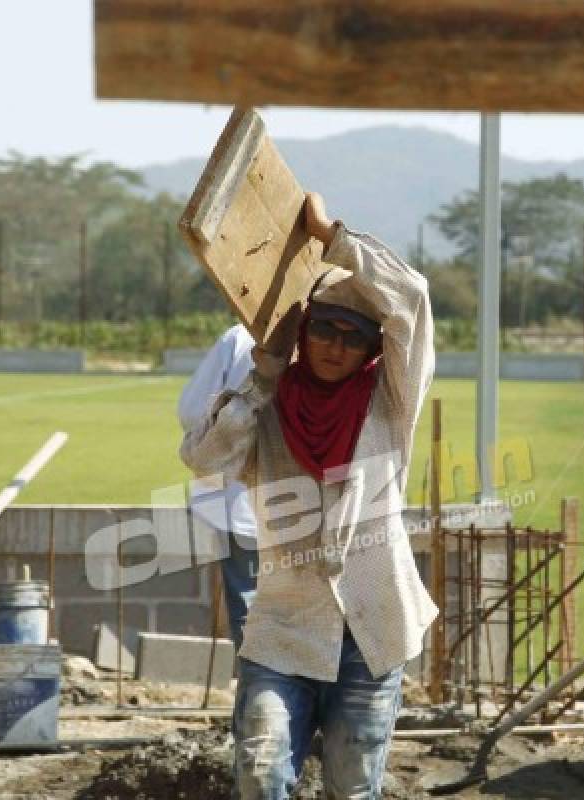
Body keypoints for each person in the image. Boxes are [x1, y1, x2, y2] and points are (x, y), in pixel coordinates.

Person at [180, 192, 437, 799]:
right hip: (283, 629)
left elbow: (414, 300)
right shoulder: (268, 409)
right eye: (324, 328)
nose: (335, 346)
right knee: (262, 774)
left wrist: (334, 237)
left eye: (354, 337)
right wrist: (264, 373)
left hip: (371, 633)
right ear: (304, 331)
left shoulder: (389, 407)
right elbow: (205, 458)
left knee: (352, 788)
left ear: (373, 349)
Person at [177, 323, 259, 653]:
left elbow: (192, 410)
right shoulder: (329, 328)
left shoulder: (241, 336)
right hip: (318, 503)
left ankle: (262, 698)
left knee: (251, 612)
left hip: (241, 503)